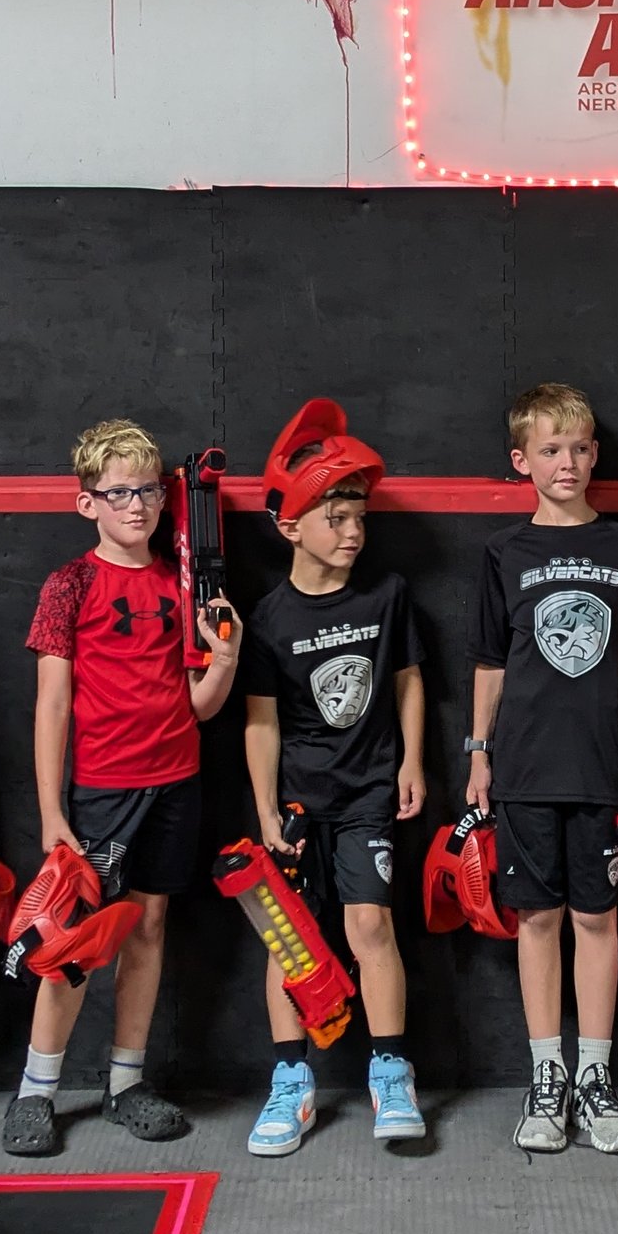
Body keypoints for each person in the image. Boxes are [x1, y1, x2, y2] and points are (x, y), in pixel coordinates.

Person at [2, 420, 240, 1155]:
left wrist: (226, 656)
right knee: (74, 942)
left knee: (149, 928)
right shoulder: (69, 584)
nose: (135, 505)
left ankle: (126, 1081)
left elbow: (200, 706)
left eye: (146, 491)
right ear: (88, 504)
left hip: (176, 781)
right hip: (102, 790)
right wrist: (52, 812)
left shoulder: (187, 581)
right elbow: (51, 704)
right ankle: (36, 1090)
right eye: (118, 493)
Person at [467, 382, 618, 1154]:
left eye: (579, 448)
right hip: (521, 766)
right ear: (522, 460)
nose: (567, 462)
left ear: (595, 455)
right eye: (550, 449)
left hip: (605, 766)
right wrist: (478, 755)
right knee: (538, 918)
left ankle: (596, 1080)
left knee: (597, 917)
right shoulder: (503, 553)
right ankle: (546, 1076)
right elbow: (489, 663)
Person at [238, 400, 429, 1156]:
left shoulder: (387, 597)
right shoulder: (268, 618)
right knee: (288, 940)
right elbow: (261, 722)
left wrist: (413, 760)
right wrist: (262, 812)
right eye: (336, 516)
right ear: (289, 524)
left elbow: (409, 680)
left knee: (369, 925)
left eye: (360, 516)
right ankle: (291, 1081)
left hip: (369, 791)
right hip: (295, 800)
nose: (354, 531)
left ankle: (391, 1071)